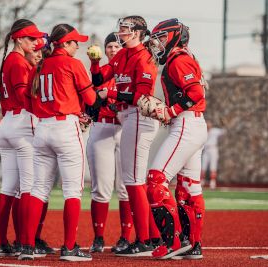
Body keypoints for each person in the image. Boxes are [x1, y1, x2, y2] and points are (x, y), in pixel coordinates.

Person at [19, 23, 103, 262]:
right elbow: (91, 99)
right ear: (64, 43)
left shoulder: (41, 65)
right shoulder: (72, 63)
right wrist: (104, 95)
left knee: (38, 189)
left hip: (43, 127)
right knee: (72, 190)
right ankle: (69, 247)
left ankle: (27, 246)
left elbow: (29, 99)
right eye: (75, 41)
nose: (78, 45)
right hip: (66, 127)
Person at [88, 15, 162, 257]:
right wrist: (95, 63)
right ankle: (146, 238)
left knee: (132, 180)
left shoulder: (144, 57)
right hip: (128, 117)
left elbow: (141, 97)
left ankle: (144, 239)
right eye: (120, 28)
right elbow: (99, 78)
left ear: (139, 32)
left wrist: (111, 94)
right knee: (132, 180)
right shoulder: (122, 55)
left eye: (126, 28)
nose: (121, 32)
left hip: (139, 116)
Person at [144, 18, 207, 260]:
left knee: (156, 179)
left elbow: (196, 93)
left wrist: (170, 111)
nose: (157, 44)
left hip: (186, 124)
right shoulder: (184, 57)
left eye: (161, 39)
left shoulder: (178, 59)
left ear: (172, 37)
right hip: (194, 124)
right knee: (189, 188)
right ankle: (194, 244)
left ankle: (173, 243)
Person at [0, 19, 53, 257]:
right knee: (29, 187)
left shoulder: (10, 59)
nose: (34, 42)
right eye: (30, 38)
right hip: (22, 122)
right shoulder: (18, 62)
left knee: (9, 187)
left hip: (7, 122)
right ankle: (25, 243)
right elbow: (23, 95)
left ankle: (1, 243)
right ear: (18, 39)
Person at [86, 33, 133, 254]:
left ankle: (125, 237)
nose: (113, 49)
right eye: (110, 46)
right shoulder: (102, 72)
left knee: (126, 187)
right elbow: (91, 94)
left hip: (125, 128)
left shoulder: (128, 70)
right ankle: (98, 237)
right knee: (101, 189)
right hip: (102, 126)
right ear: (105, 50)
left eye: (117, 45)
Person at [201, 121, 226, 189]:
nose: (208, 125)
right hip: (206, 149)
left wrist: (223, 124)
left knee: (213, 166)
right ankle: (202, 182)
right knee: (203, 166)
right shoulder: (203, 131)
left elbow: (223, 131)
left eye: (209, 124)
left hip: (213, 149)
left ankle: (212, 183)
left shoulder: (214, 131)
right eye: (207, 124)